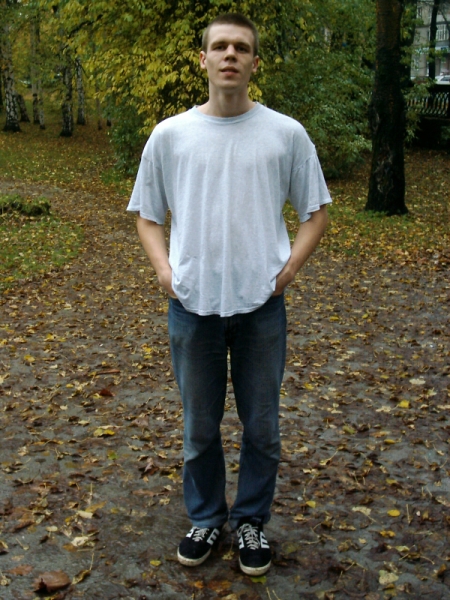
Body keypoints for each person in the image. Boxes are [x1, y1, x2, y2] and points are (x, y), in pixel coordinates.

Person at [127, 13, 331, 576]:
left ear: (255, 62)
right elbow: (147, 214)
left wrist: (288, 270)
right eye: (220, 46)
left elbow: (316, 212)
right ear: (204, 59)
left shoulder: (285, 134)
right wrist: (164, 271)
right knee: (199, 429)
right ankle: (205, 517)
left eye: (241, 47)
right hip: (192, 307)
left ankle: (250, 522)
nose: (230, 55)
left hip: (262, 307)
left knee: (262, 428)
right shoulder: (171, 135)